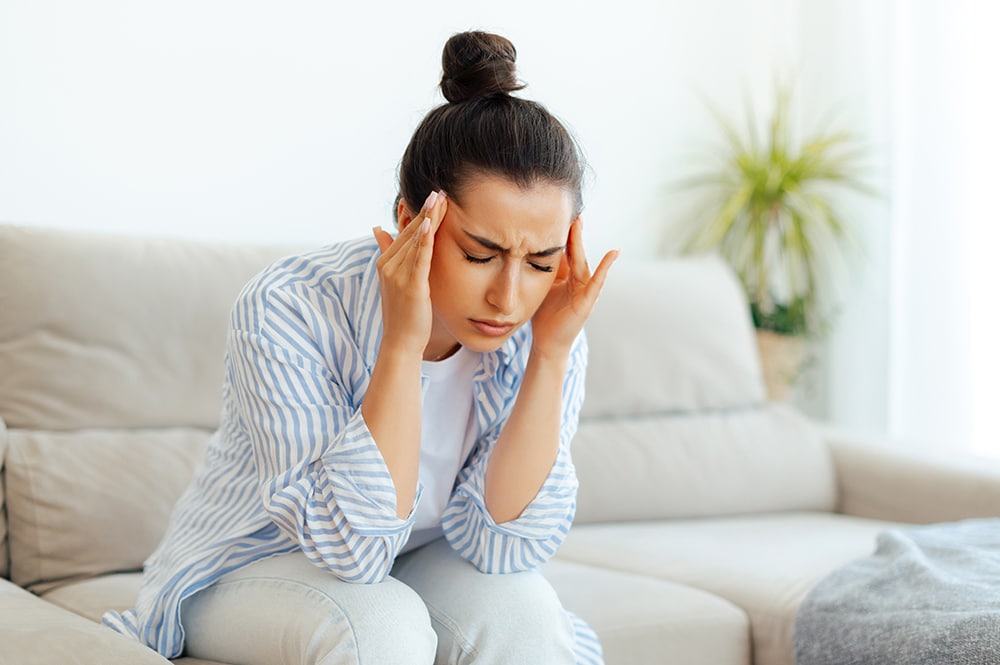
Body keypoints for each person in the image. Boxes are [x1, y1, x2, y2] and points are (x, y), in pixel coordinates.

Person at [104, 30, 619, 665]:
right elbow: (353, 551)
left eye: (540, 262)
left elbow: (504, 550)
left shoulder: (547, 326)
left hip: (418, 559)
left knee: (528, 616)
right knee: (380, 625)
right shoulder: (290, 306)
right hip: (254, 561)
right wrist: (402, 343)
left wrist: (550, 357)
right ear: (411, 221)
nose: (508, 299)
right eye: (479, 255)